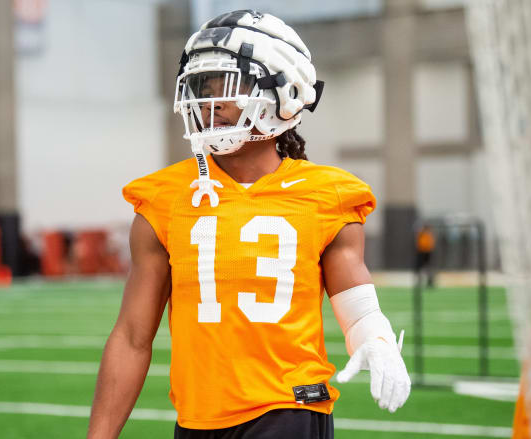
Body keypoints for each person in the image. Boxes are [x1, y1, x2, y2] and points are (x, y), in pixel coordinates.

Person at [87, 10, 410, 439]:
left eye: (229, 86)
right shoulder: (164, 197)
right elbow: (131, 336)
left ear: (287, 92)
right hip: (198, 419)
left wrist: (376, 338)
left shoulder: (326, 195)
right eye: (204, 87)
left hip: (288, 407)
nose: (212, 102)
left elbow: (357, 306)